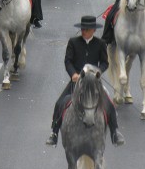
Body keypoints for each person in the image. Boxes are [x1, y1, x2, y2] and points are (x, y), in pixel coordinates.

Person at [45, 15, 125, 147]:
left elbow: (105, 63)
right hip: (77, 81)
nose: (84, 31)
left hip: (93, 82)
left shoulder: (100, 44)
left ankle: (115, 132)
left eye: (87, 29)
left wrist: (98, 71)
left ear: (93, 30)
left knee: (109, 104)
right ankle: (54, 133)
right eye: (82, 29)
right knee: (60, 103)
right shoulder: (73, 42)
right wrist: (73, 74)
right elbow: (68, 61)